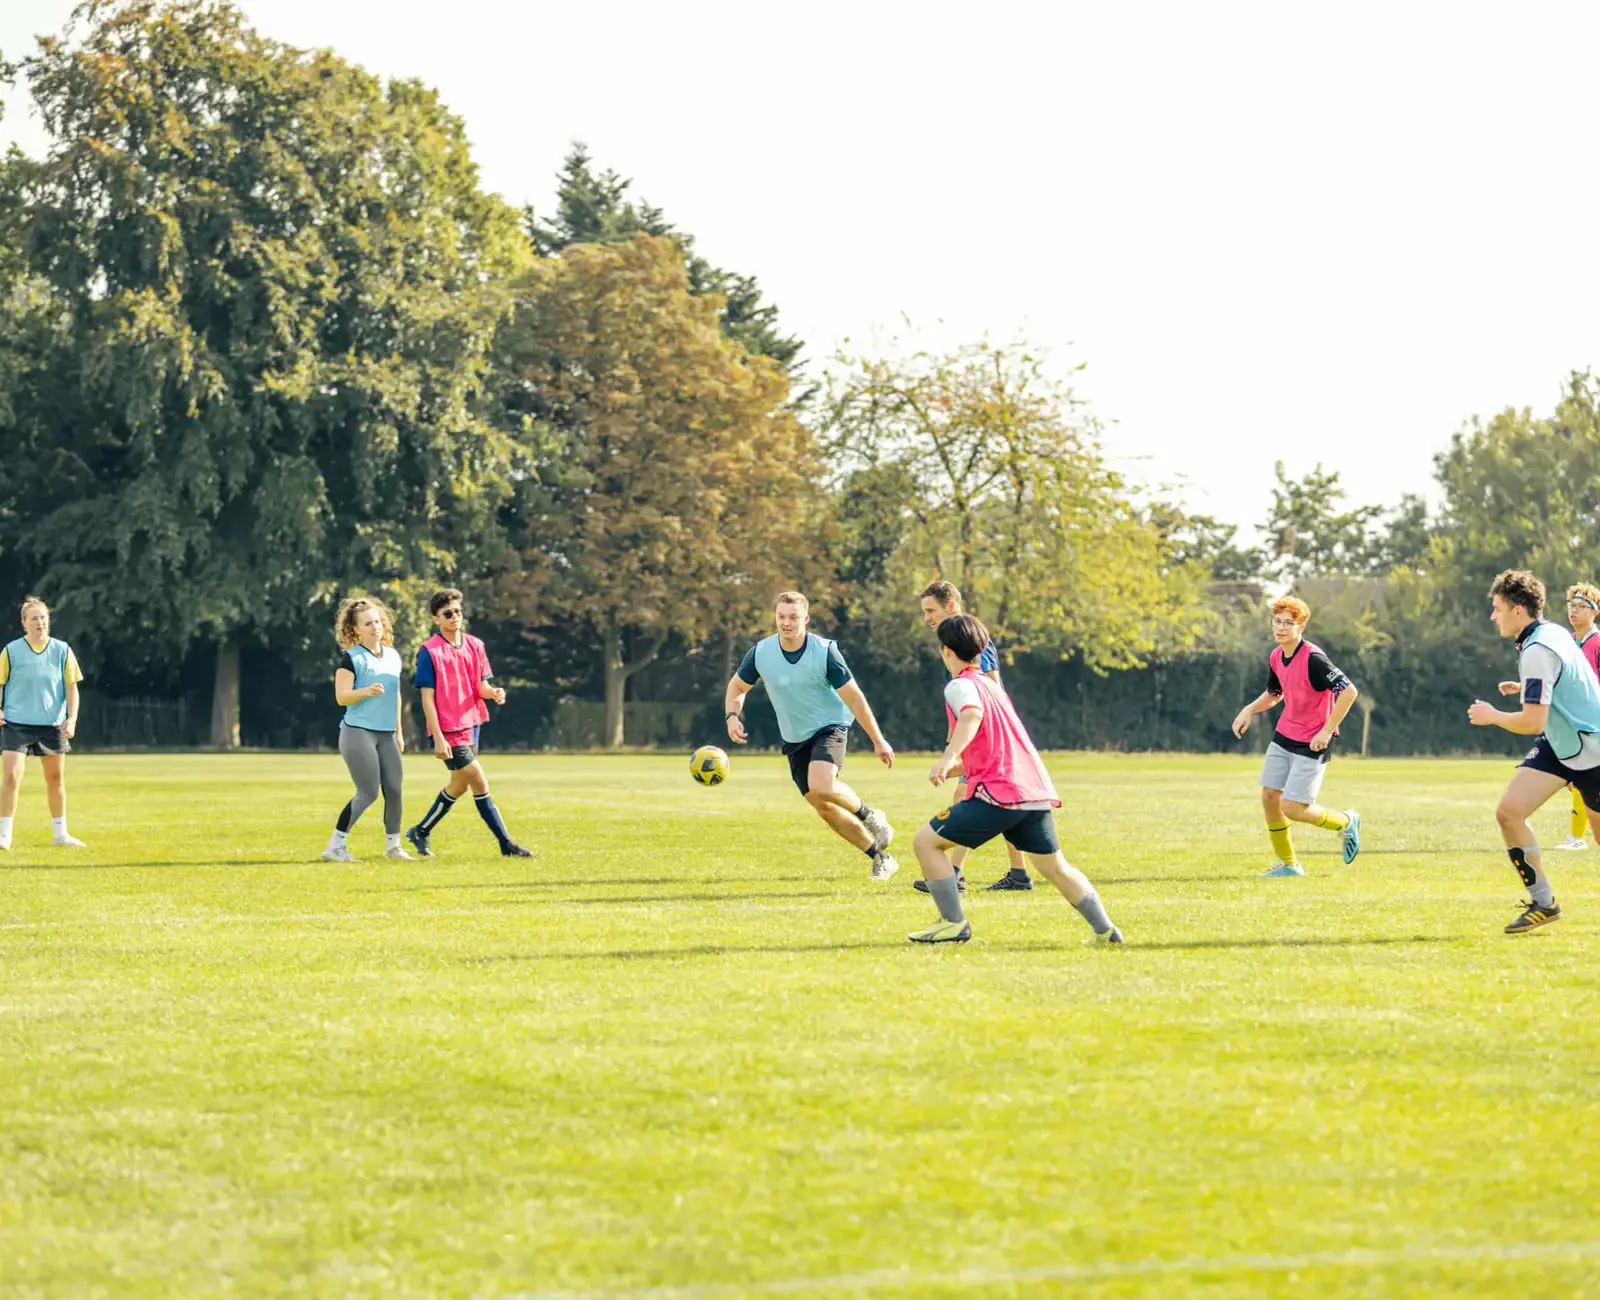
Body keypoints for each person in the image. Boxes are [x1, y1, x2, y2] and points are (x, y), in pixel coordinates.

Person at [908, 613, 1122, 944]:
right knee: (1055, 868)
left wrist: (948, 756)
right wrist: (957, 768)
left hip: (998, 795)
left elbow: (971, 717)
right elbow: (996, 745)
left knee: (926, 842)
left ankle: (953, 924)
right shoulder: (993, 688)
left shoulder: (960, 685)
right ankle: (1106, 930)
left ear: (945, 651)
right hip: (1031, 792)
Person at [724, 591, 899, 878]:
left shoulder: (825, 651)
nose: (786, 623)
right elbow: (736, 688)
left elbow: (855, 698)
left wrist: (878, 740)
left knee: (821, 784)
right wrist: (732, 717)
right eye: (781, 617)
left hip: (830, 725)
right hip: (794, 739)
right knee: (824, 807)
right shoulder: (761, 652)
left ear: (806, 619)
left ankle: (871, 816)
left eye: (793, 617)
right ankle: (880, 857)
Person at [1468, 569, 1600, 934]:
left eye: (1497, 608)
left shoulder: (1538, 650)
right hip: (1562, 744)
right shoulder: (1550, 632)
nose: (1493, 616)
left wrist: (1493, 716)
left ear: (1519, 610)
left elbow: (1533, 723)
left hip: (1593, 751)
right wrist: (1527, 687)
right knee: (1509, 813)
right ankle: (1544, 903)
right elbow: (1565, 680)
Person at [913, 580, 1032, 894]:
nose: (926, 617)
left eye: (931, 610)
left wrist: (966, 737)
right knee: (1002, 803)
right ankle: (1018, 874)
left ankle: (953, 873)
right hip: (976, 733)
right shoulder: (951, 638)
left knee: (965, 797)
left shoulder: (971, 639)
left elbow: (987, 688)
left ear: (951, 606)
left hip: (986, 735)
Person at [1230, 596, 1361, 877]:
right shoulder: (1277, 656)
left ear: (1301, 626)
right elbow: (1275, 694)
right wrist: (1248, 710)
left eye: (1288, 623)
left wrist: (1327, 730)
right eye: (1277, 621)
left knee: (1294, 807)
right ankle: (1289, 865)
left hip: (1314, 740)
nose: (1281, 628)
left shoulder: (1314, 659)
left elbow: (1349, 692)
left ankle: (1345, 822)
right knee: (1269, 797)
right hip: (1285, 734)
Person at [405, 588, 531, 858]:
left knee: (459, 785)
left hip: (471, 723)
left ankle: (421, 831)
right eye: (447, 614)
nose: (455, 617)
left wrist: (494, 692)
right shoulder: (429, 652)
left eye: (458, 612)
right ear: (435, 619)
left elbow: (480, 686)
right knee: (479, 780)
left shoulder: (476, 645)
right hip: (448, 730)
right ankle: (506, 844)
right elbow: (427, 699)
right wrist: (437, 736)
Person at [322, 596, 410, 863]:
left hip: (386, 734)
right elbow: (342, 697)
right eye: (368, 624)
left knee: (394, 789)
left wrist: (399, 731)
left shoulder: (393, 656)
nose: (375, 627)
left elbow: (395, 696)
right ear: (356, 629)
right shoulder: (351, 658)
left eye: (377, 621)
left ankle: (393, 846)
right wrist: (366, 692)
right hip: (357, 732)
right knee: (369, 791)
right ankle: (336, 846)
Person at [0, 596, 86, 849]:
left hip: (51, 724)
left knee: (55, 778)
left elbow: (72, 689)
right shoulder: (11, 651)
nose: (40, 622)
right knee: (12, 776)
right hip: (16, 723)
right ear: (24, 623)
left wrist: (71, 719)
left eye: (43, 618)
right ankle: (4, 835)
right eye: (34, 618)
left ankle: (61, 834)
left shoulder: (62, 650)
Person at [1549, 582, 1600, 851]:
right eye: (1572, 606)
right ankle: (1577, 837)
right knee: (1579, 781)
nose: (1575, 611)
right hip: (1573, 723)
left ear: (1595, 611)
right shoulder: (1567, 642)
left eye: (1582, 606)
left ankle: (1577, 838)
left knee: (1583, 779)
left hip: (1594, 723)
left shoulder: (1598, 643)